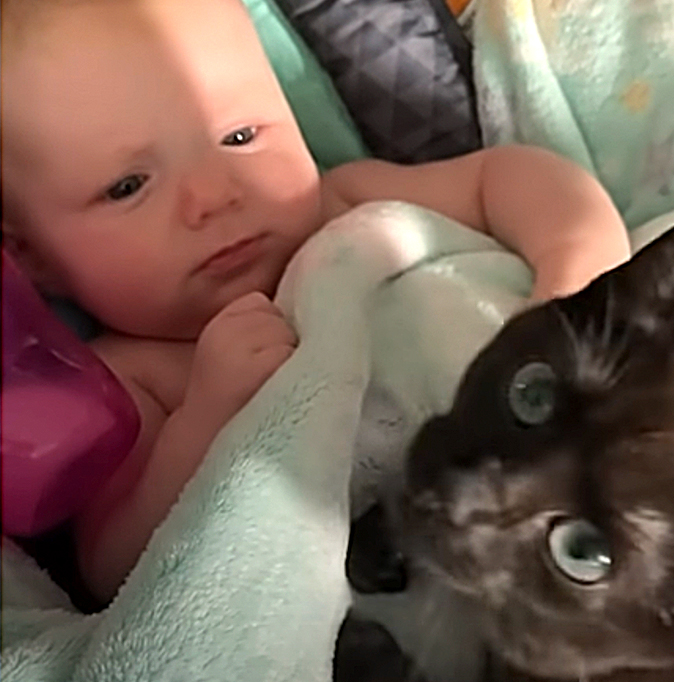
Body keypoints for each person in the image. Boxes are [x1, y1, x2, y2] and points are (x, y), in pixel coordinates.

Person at [1, 0, 631, 603]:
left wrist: (578, 276)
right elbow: (113, 570)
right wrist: (209, 414)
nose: (216, 195)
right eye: (128, 186)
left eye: (241, 134)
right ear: (31, 259)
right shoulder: (126, 382)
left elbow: (508, 177)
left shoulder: (349, 202)